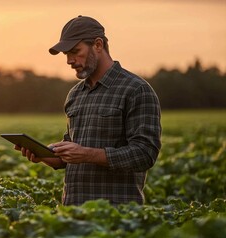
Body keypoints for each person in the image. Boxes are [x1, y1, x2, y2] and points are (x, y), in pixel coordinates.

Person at [15, 15, 161, 205]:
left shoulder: (136, 90)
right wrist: (46, 155)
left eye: (75, 51)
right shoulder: (75, 94)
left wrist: (87, 154)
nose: (69, 60)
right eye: (66, 54)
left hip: (117, 216)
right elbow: (71, 155)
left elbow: (145, 154)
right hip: (72, 215)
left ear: (98, 45)